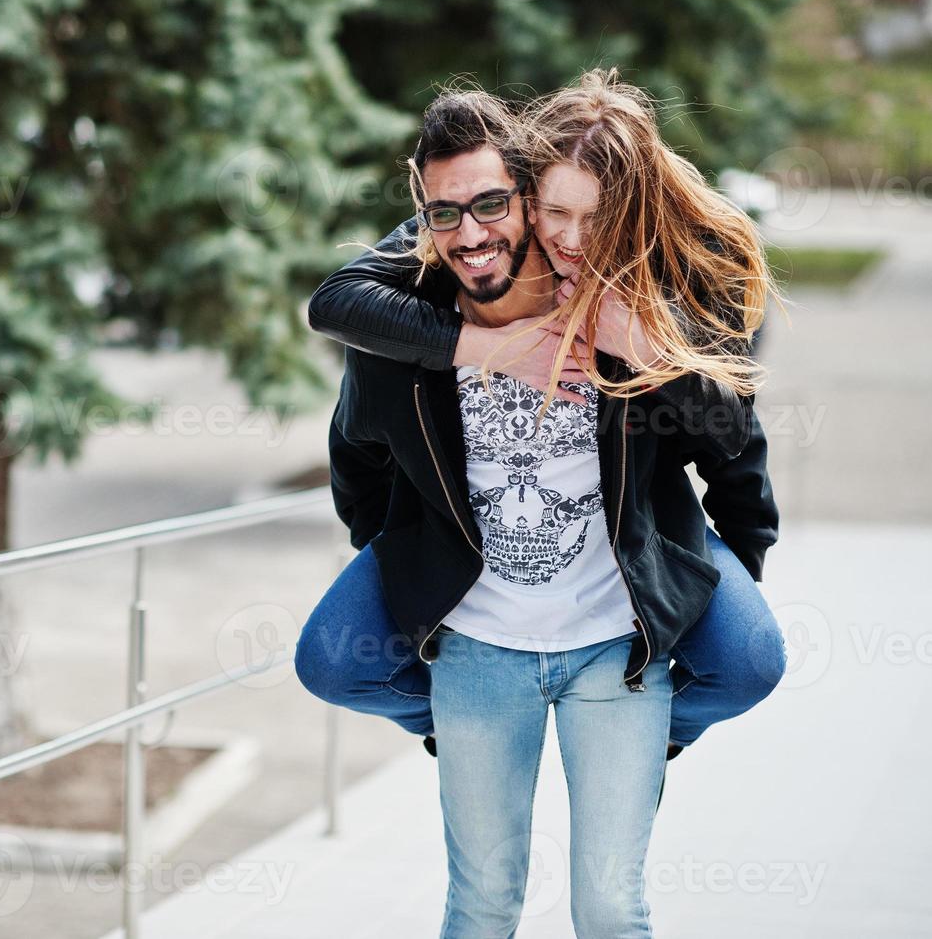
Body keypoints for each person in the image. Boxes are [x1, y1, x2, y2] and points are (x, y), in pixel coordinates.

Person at [295, 73, 781, 935]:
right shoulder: (423, 293)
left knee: (617, 891)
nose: (565, 238)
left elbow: (731, 438)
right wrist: (412, 552)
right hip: (482, 645)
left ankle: (657, 727)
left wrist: (717, 576)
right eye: (553, 213)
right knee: (478, 895)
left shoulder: (649, 288)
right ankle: (458, 720)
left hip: (620, 628)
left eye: (583, 217)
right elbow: (345, 396)